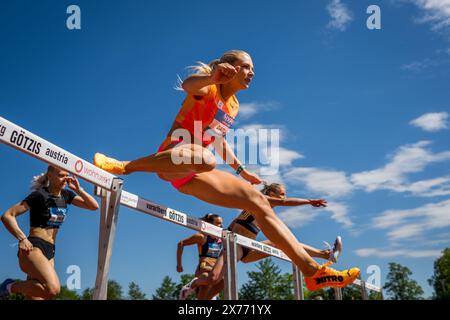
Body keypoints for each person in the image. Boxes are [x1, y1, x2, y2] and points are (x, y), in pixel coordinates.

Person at [93, 49, 360, 290]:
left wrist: (242, 171)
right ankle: (126, 166)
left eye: (253, 69)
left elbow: (217, 139)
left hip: (195, 175)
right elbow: (189, 85)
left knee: (259, 201)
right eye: (246, 67)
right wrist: (212, 77)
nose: (252, 73)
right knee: (206, 159)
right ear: (228, 68)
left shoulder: (233, 106)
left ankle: (313, 272)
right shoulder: (208, 87)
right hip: (174, 158)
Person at [180, 183, 343, 300]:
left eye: (284, 194)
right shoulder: (258, 200)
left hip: (248, 250)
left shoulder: (268, 214)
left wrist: (228, 228)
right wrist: (309, 201)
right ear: (271, 193)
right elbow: (285, 203)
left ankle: (326, 255)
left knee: (283, 241)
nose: (283, 197)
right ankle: (190, 286)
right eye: (281, 193)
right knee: (214, 279)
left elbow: (236, 222)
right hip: (235, 245)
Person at [0, 166, 99, 300]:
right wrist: (22, 238)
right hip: (34, 247)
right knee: (53, 289)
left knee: (41, 296)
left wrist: (77, 189)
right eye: (61, 175)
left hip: (50, 251)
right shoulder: (39, 195)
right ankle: (9, 286)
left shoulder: (66, 195)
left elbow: (93, 206)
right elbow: (8, 215)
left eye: (67, 175)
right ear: (50, 176)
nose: (65, 178)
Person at [176, 213, 223, 299]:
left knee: (222, 280)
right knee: (208, 277)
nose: (221, 225)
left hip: (214, 273)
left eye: (222, 223)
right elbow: (181, 244)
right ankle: (190, 286)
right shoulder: (201, 237)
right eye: (219, 223)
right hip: (204, 271)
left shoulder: (221, 238)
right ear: (211, 224)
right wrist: (179, 264)